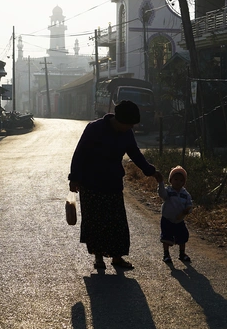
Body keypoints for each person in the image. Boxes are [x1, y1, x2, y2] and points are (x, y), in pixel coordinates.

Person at [69, 100, 163, 270]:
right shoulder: (94, 128)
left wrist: (150, 171)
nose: (130, 128)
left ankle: (117, 258)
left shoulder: (126, 134)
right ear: (118, 120)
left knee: (116, 222)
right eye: (128, 125)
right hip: (91, 182)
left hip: (112, 182)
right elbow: (80, 153)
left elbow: (135, 153)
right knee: (95, 221)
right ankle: (98, 258)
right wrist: (74, 178)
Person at [157, 165, 193, 263]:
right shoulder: (168, 191)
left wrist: (188, 210)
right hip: (167, 219)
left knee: (183, 236)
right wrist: (160, 183)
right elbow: (162, 194)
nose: (178, 182)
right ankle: (166, 254)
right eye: (176, 179)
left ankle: (182, 254)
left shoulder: (185, 194)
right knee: (166, 237)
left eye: (181, 181)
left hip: (179, 220)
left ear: (184, 182)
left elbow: (189, 205)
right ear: (171, 180)